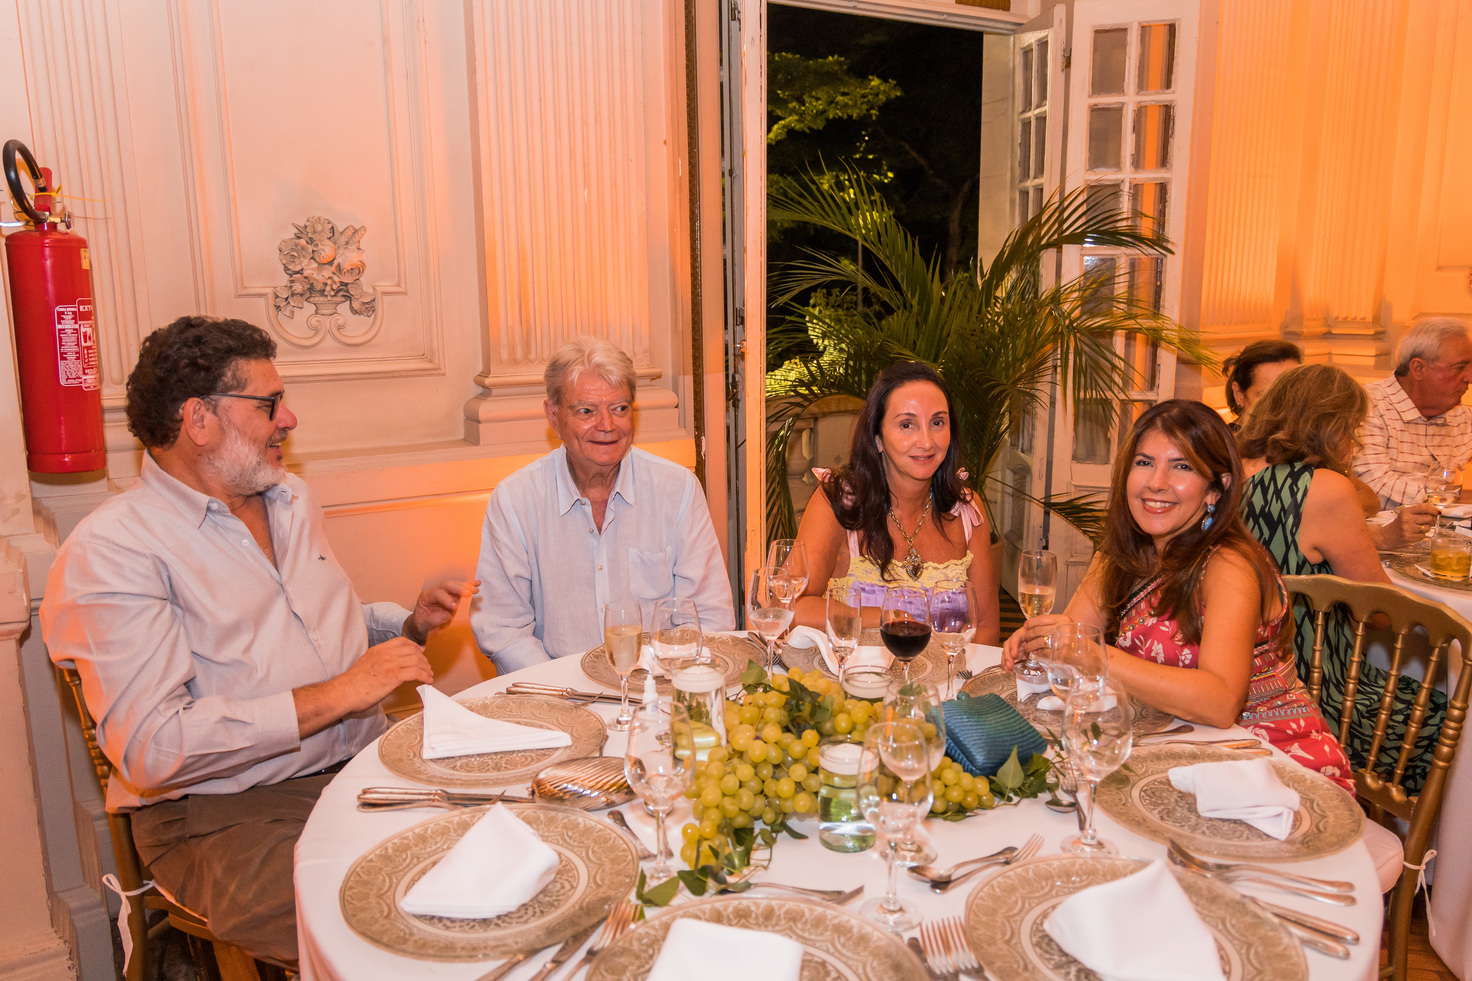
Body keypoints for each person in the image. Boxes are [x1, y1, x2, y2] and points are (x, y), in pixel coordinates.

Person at [39, 316, 473, 968]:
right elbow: (154, 746)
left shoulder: (290, 497)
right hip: (225, 813)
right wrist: (337, 693)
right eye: (269, 404)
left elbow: (302, 631)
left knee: (510, 854)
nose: (289, 418)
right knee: (388, 924)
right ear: (199, 419)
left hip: (358, 765)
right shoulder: (114, 551)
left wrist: (404, 625)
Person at [1003, 399, 1352, 790]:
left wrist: (1093, 654)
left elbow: (1220, 703)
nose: (1156, 482)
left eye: (1182, 466)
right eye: (1144, 462)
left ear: (1215, 489)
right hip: (1172, 744)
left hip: (1266, 761)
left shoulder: (1228, 566)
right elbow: (1076, 633)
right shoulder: (1123, 552)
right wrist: (1045, 637)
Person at [1239, 364, 1445, 794]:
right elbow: (1385, 617)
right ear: (1331, 426)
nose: (1356, 440)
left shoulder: (1232, 471)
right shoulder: (1325, 486)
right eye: (1352, 428)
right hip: (1311, 687)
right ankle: (1417, 848)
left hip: (1240, 670)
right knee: (1441, 712)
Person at [471, 338, 734, 672]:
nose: (607, 425)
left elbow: (710, 616)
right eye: (586, 411)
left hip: (657, 689)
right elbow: (502, 628)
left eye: (620, 408)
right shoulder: (515, 501)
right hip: (556, 694)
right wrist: (564, 689)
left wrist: (657, 680)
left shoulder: (677, 489)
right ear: (553, 416)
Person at [792, 361, 1000, 643]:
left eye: (937, 423)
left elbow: (986, 627)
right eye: (907, 424)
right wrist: (885, 615)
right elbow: (792, 608)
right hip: (859, 680)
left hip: (944, 684)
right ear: (877, 438)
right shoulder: (840, 502)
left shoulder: (967, 511)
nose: (926, 442)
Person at [1354, 317, 1472, 509]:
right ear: (1418, 368)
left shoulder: (1459, 415)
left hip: (1443, 532)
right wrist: (1453, 496)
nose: (1470, 378)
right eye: (1460, 368)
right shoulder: (1368, 406)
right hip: (1384, 534)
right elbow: (1375, 489)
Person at [1222, 338, 1301, 431]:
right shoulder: (1226, 444)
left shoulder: (1306, 436)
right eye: (1267, 397)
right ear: (1239, 394)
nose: (1283, 406)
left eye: (1291, 393)